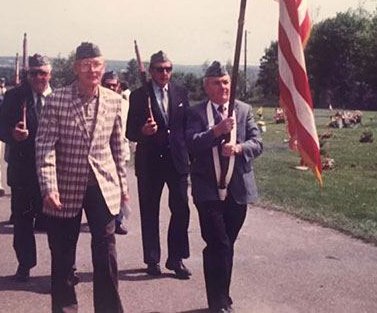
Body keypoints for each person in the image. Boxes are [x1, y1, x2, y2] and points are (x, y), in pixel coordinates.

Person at [36, 42, 128, 313]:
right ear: (76, 69)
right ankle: (66, 309)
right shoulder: (57, 100)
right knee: (63, 256)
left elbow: (118, 148)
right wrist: (49, 187)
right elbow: (45, 147)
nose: (92, 70)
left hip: (103, 187)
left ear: (104, 67)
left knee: (106, 254)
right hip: (65, 189)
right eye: (86, 65)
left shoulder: (114, 101)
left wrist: (123, 186)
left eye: (97, 64)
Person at [185, 61, 263, 313]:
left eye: (226, 82)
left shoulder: (243, 110)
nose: (223, 87)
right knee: (217, 242)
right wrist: (217, 131)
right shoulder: (196, 113)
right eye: (217, 83)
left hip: (237, 189)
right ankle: (217, 302)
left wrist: (239, 148)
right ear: (206, 86)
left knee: (227, 243)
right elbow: (191, 144)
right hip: (207, 189)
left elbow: (257, 143)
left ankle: (223, 296)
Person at [126, 50, 192, 279]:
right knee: (150, 211)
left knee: (182, 208)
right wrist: (142, 132)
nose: (164, 73)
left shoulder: (181, 92)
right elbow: (129, 131)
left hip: (177, 161)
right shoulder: (138, 96)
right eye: (160, 69)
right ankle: (152, 259)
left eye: (168, 69)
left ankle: (177, 258)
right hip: (150, 162)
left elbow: (186, 128)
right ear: (151, 70)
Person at [0, 54, 53, 282]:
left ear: (50, 74)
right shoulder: (14, 97)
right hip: (22, 172)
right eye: (34, 73)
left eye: (43, 73)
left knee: (57, 225)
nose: (38, 77)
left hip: (53, 173)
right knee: (22, 222)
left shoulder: (60, 97)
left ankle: (64, 269)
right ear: (28, 75)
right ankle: (25, 264)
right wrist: (13, 134)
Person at [101, 70, 131, 235]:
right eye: (108, 85)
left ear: (119, 87)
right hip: (104, 153)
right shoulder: (97, 103)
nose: (111, 88)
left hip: (122, 151)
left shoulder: (126, 105)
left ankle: (118, 221)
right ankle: (103, 218)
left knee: (121, 185)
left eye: (114, 86)